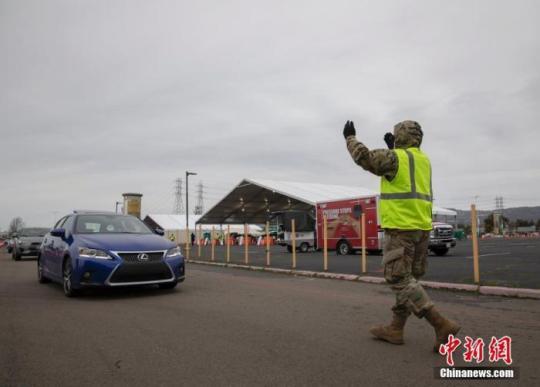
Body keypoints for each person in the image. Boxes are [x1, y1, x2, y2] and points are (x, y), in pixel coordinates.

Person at [343, 119, 460, 352]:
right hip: (422, 230)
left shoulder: (396, 159)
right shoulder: (423, 160)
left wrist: (350, 138)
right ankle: (395, 329)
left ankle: (441, 324)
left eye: (397, 136)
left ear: (402, 137)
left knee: (398, 279)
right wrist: (393, 149)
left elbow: (364, 158)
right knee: (410, 281)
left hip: (401, 230)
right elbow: (402, 177)